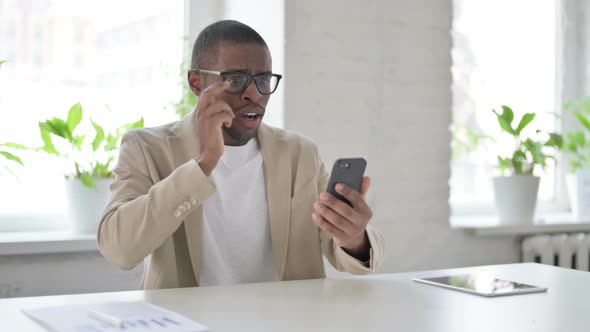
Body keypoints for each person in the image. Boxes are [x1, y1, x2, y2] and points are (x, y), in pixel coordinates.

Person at [98, 20, 384, 289]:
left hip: (286, 321)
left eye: (263, 79)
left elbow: (343, 251)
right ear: (196, 82)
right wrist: (203, 163)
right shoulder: (146, 147)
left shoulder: (299, 153)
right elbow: (119, 251)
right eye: (236, 80)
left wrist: (354, 237)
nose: (254, 94)